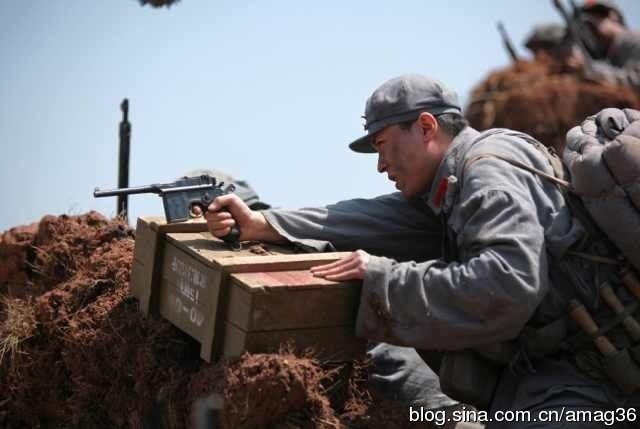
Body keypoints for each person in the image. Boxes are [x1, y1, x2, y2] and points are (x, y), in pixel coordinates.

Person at [204, 74, 640, 427]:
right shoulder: (449, 185)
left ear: (427, 127)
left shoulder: (488, 171)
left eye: (381, 145)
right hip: (552, 379)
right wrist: (265, 223)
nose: (379, 165)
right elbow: (365, 218)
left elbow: (508, 285)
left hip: (592, 385)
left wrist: (383, 278)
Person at [571, 0, 640, 89]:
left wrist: (590, 70)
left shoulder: (634, 39)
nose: (591, 22)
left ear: (613, 16)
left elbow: (636, 81)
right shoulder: (609, 53)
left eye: (598, 14)